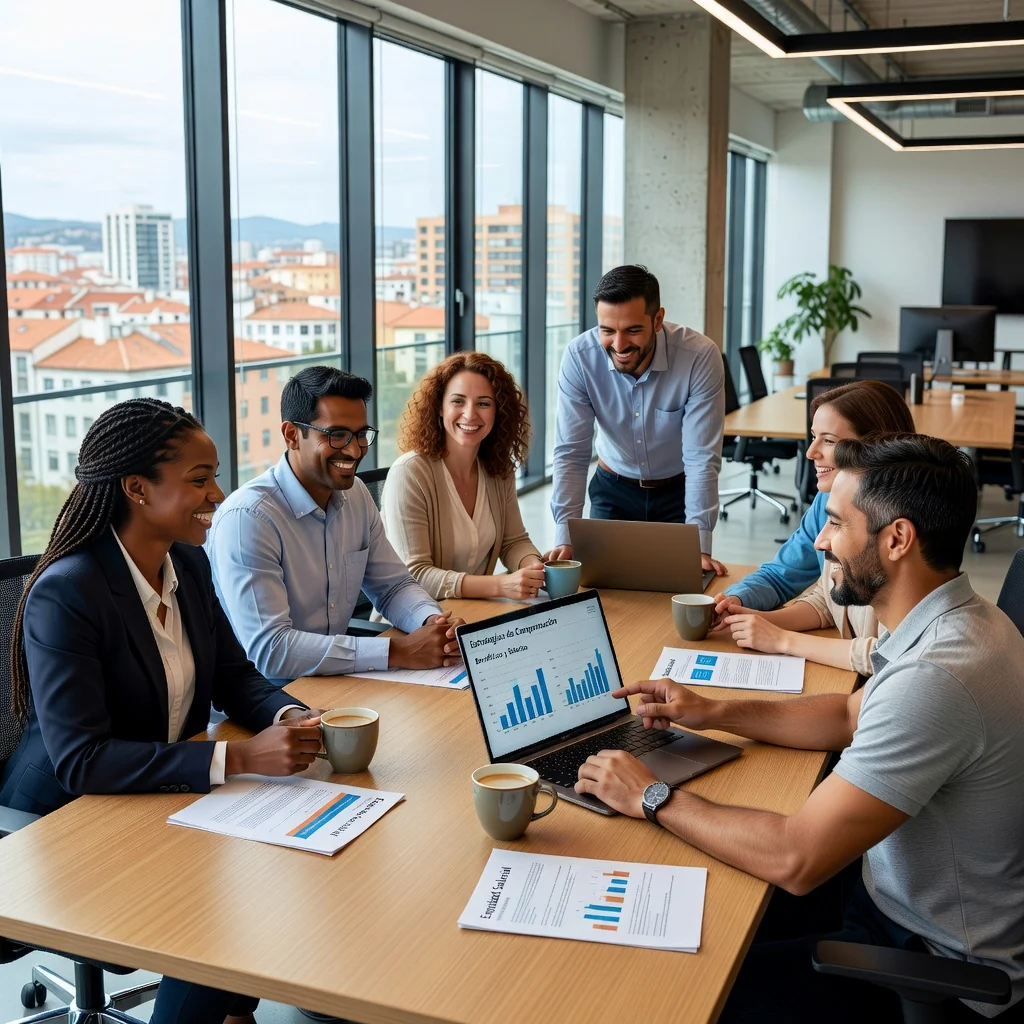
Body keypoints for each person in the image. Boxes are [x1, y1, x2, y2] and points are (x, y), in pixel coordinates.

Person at [575, 433, 1024, 1022]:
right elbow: (846, 715)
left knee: (670, 993)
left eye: (837, 523)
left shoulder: (938, 678)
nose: (820, 538)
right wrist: (713, 712)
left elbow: (795, 856)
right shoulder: (960, 619)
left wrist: (649, 795)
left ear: (897, 539)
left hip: (931, 966)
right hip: (884, 892)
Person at [0, 399, 323, 1024]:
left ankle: (230, 1011)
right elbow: (82, 761)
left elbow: (233, 675)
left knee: (277, 867)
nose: (218, 493)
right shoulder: (69, 593)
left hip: (156, 802)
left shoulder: (189, 564)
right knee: (224, 908)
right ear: (136, 489)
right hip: (63, 824)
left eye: (216, 475)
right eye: (199, 479)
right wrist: (236, 756)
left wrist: (289, 717)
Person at [207, 366, 462, 687]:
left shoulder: (354, 495)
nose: (355, 450)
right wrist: (396, 651)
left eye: (360, 435)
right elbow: (271, 649)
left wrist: (433, 623)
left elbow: (392, 586)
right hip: (269, 699)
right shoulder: (249, 518)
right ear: (291, 435)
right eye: (337, 435)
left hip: (341, 681)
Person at [713, 379, 917, 674]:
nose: (810, 452)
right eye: (813, 437)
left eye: (829, 440)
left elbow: (900, 653)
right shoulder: (828, 500)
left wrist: (783, 639)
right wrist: (741, 605)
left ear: (874, 446)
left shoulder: (897, 529)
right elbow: (817, 588)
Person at [546, 265, 727, 576]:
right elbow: (571, 454)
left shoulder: (698, 357)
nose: (618, 345)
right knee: (604, 594)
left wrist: (700, 541)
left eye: (632, 330)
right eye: (607, 330)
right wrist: (565, 534)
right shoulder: (580, 358)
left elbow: (701, 458)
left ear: (657, 320)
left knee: (675, 590)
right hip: (613, 488)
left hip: (677, 493)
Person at [383, 351, 551, 600]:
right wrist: (499, 586)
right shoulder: (410, 472)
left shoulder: (498, 469)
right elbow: (414, 575)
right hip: (417, 624)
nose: (470, 414)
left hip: (475, 615)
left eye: (483, 403)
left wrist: (533, 566)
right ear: (439, 407)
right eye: (458, 401)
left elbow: (513, 541)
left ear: (498, 411)